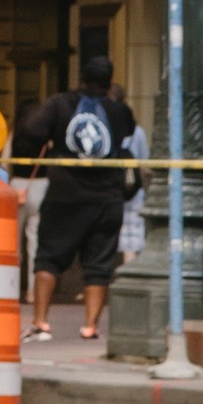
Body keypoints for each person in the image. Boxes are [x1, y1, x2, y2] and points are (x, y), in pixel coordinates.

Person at [18, 50, 144, 341]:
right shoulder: (118, 110)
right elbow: (127, 132)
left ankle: (40, 322)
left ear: (82, 78)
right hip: (107, 198)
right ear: (108, 81)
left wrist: (55, 138)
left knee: (49, 258)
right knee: (99, 266)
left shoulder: (60, 103)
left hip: (65, 196)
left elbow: (33, 130)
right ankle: (90, 326)